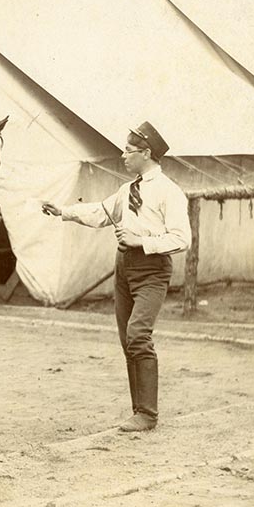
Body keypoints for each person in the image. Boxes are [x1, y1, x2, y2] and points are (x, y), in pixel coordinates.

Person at [42, 121, 190, 432]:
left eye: (128, 150)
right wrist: (63, 211)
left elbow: (182, 238)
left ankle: (148, 415)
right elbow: (100, 213)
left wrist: (142, 242)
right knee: (127, 341)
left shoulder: (169, 192)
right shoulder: (127, 190)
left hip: (152, 270)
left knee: (138, 335)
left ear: (146, 153)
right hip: (124, 268)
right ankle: (139, 411)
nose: (123, 155)